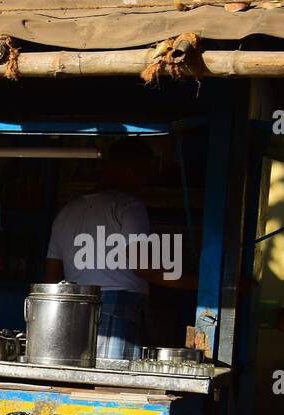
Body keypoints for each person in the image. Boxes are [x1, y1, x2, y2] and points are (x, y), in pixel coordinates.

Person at [44, 138, 191, 359]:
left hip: (76, 313)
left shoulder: (67, 212)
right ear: (130, 170)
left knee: (79, 386)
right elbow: (144, 268)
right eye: (145, 173)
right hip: (119, 312)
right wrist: (207, 286)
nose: (146, 182)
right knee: (115, 387)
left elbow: (50, 279)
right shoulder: (129, 207)